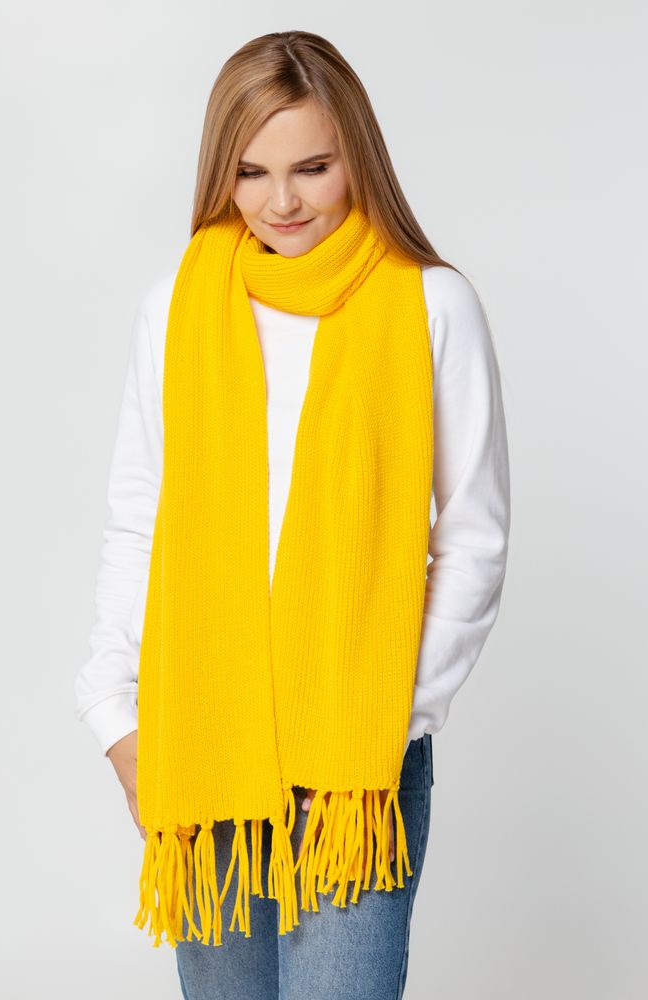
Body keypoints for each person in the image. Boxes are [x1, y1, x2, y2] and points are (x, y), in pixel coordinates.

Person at [74, 29, 510, 1000]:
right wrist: (114, 714)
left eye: (313, 167)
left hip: (353, 762)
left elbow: (473, 542)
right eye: (252, 172)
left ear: (359, 153)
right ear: (219, 172)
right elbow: (141, 516)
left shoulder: (432, 307)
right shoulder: (179, 306)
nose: (282, 202)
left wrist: (380, 721)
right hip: (206, 738)